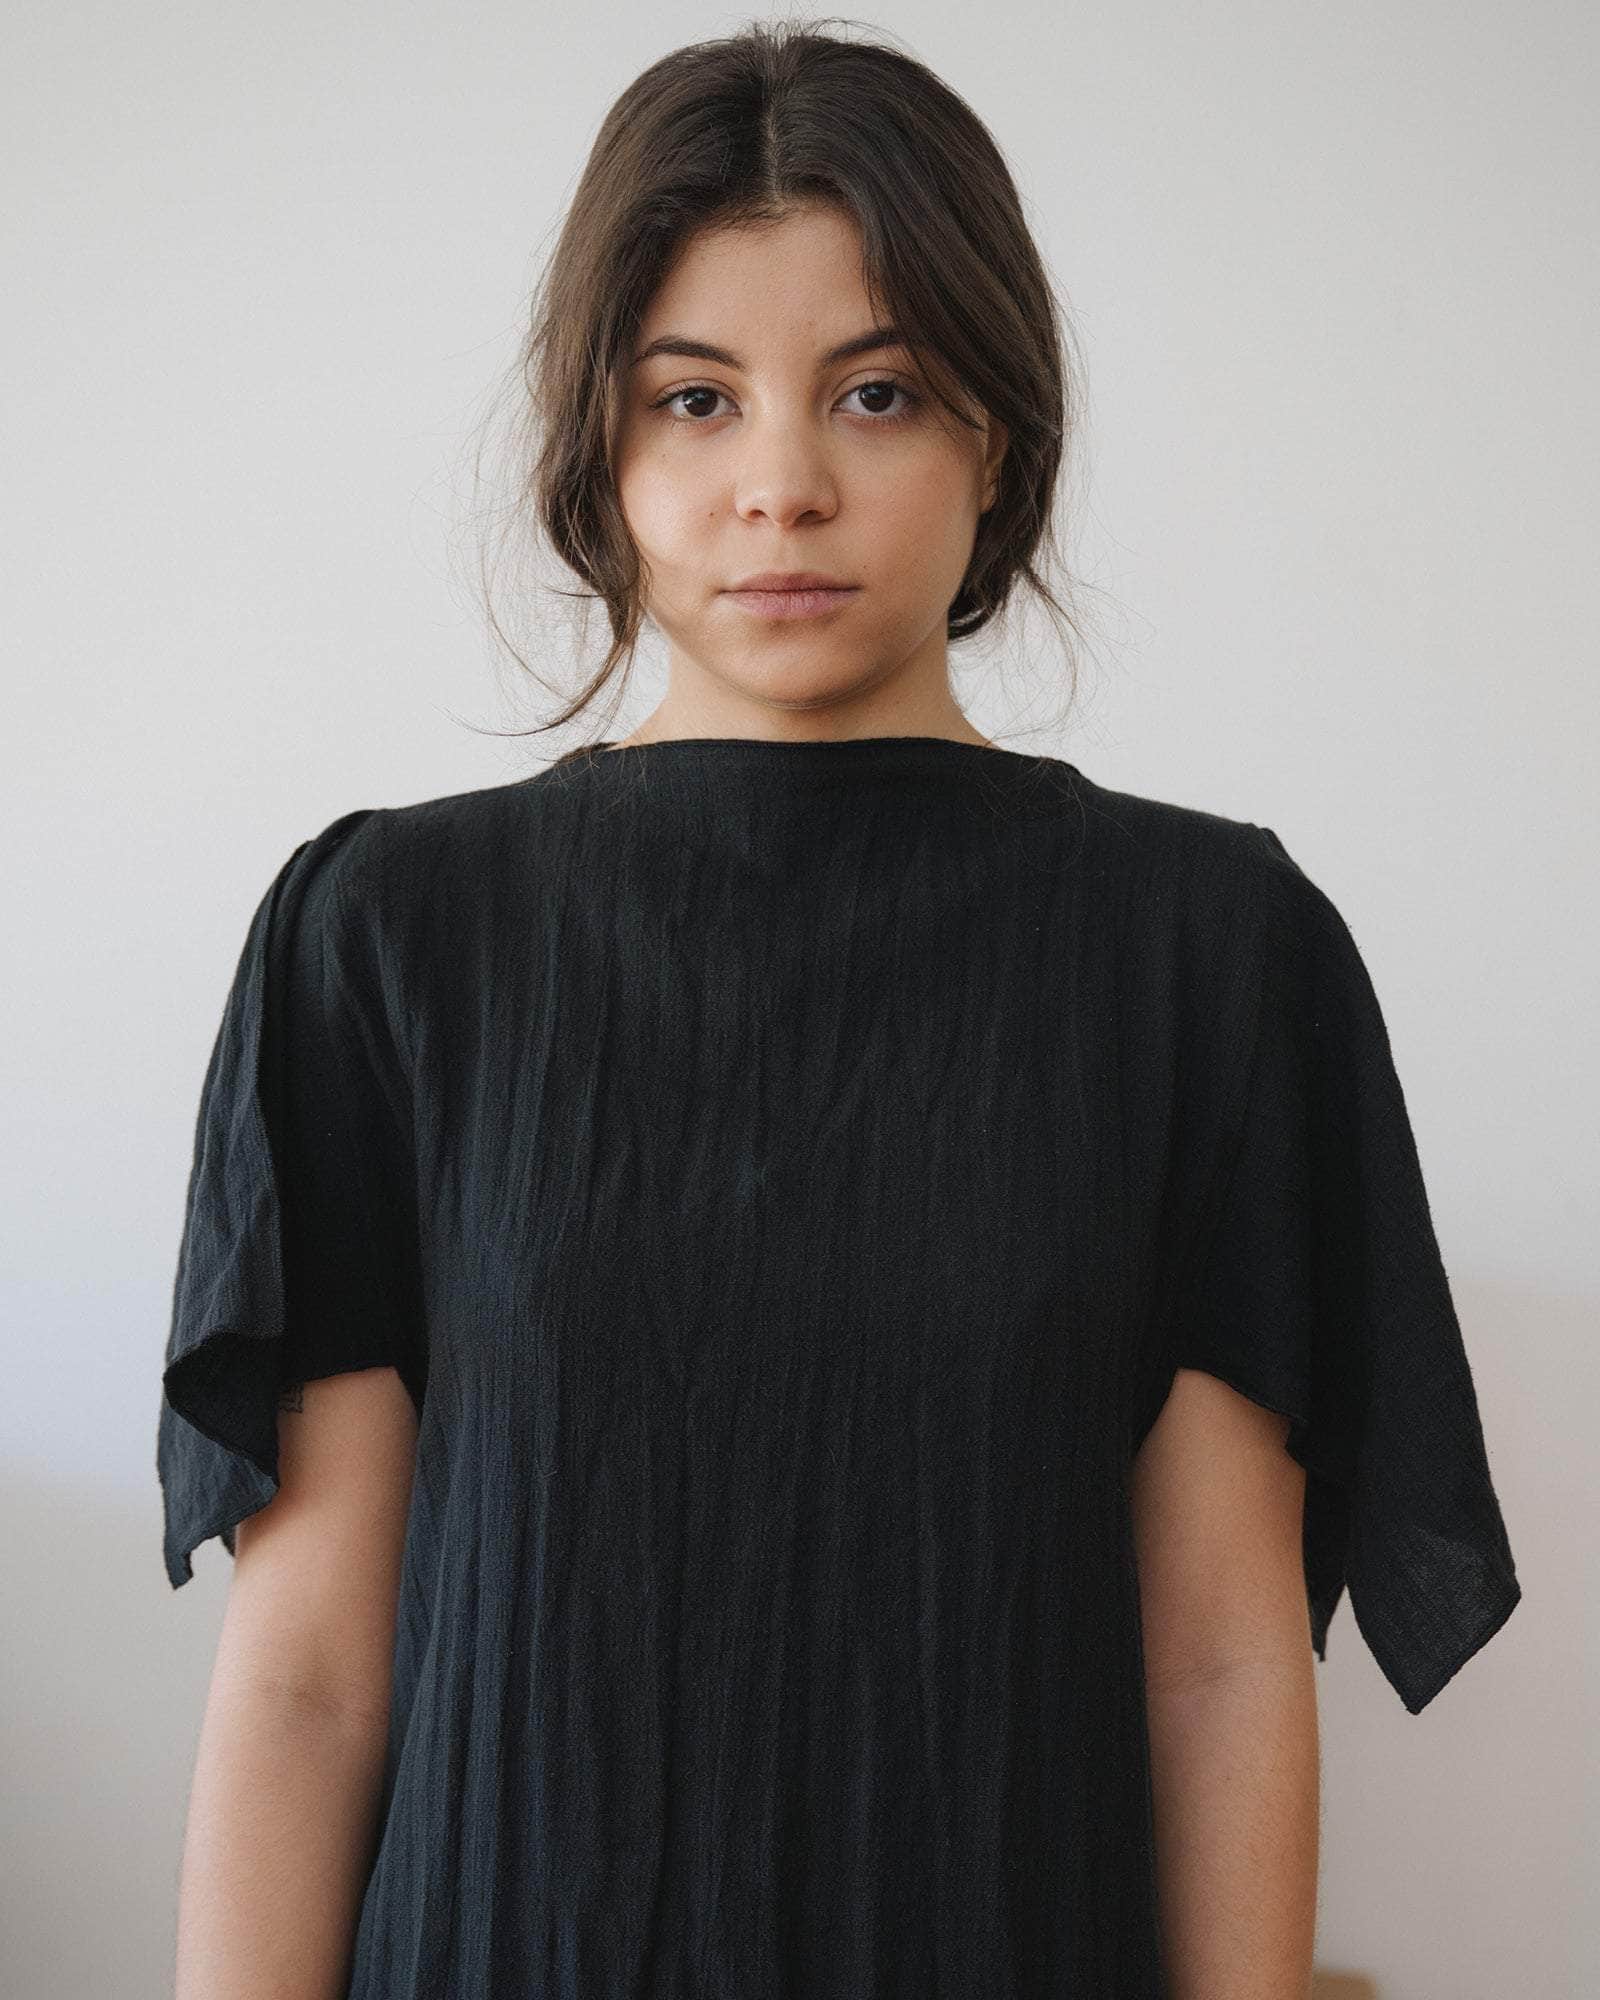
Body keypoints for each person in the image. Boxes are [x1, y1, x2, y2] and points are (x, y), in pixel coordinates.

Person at [155, 20, 1521, 1999]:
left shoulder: (1207, 952)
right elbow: (305, 1680)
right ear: (600, 449)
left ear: (998, 438)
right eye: (693, 399)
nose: (780, 486)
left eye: (875, 393)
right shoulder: (386, 939)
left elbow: (1219, 1663)